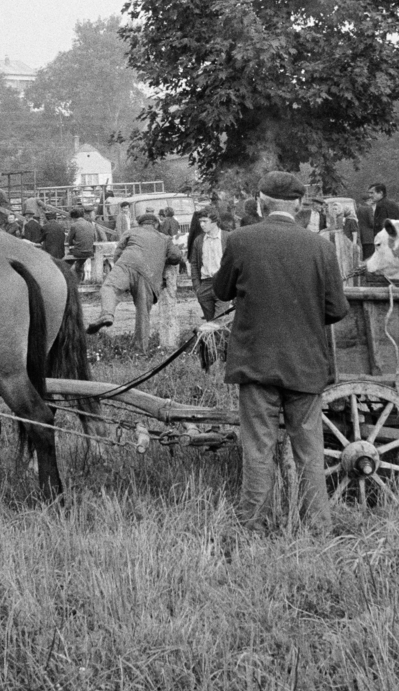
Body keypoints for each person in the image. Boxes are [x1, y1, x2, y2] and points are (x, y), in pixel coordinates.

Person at [212, 171, 349, 534]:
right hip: (306, 365)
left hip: (255, 362)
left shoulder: (241, 240)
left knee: (258, 448)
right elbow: (336, 309)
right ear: (301, 205)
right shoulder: (321, 246)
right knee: (310, 452)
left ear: (260, 203)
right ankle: (319, 528)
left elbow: (221, 291)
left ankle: (253, 526)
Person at [87, 213, 184, 334]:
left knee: (109, 287)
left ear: (140, 224)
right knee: (143, 313)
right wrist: (161, 259)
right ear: (156, 224)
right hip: (149, 274)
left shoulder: (130, 232)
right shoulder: (164, 238)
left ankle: (107, 314)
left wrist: (123, 276)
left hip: (126, 264)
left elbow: (117, 254)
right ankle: (141, 351)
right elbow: (176, 256)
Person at [189, 207, 227, 321]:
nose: (201, 224)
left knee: (220, 322)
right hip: (205, 285)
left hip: (222, 283)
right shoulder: (199, 240)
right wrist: (197, 287)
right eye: (200, 221)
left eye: (205, 221)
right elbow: (194, 264)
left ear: (214, 222)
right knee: (210, 324)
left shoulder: (227, 238)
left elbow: (235, 263)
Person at [66, 207, 98, 280]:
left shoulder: (74, 225)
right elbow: (95, 238)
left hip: (79, 252)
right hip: (90, 251)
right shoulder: (91, 224)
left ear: (73, 217)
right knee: (79, 262)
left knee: (66, 261)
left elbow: (69, 240)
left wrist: (71, 246)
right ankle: (79, 271)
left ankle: (70, 276)